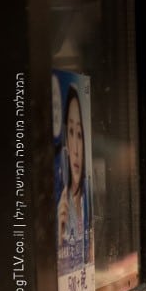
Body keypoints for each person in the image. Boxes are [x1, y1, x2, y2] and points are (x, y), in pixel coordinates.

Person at [57, 84, 89, 264]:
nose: (76, 149)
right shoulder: (61, 208)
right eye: (70, 132)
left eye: (79, 134)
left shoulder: (87, 203)